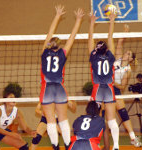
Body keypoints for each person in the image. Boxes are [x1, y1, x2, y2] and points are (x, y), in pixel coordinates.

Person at [40, 5, 84, 150]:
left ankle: (55, 147)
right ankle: (67, 146)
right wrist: (78, 20)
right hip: (59, 88)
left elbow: (49, 33)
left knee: (51, 121)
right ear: (59, 46)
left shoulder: (44, 52)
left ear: (49, 44)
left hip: (46, 89)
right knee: (63, 119)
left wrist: (57, 16)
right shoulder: (63, 53)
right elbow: (72, 37)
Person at [88, 11, 119, 150]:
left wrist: (92, 23)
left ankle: (96, 143)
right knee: (111, 119)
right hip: (108, 88)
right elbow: (110, 37)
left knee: (96, 117)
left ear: (96, 49)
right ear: (106, 49)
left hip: (97, 89)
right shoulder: (110, 57)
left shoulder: (93, 57)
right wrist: (111, 20)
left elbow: (89, 39)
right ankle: (116, 146)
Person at [112, 24, 142, 147]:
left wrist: (114, 83)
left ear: (130, 59)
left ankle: (132, 138)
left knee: (123, 113)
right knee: (101, 113)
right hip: (105, 88)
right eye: (127, 52)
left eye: (129, 54)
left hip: (115, 88)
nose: (126, 53)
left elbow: (123, 86)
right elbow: (119, 43)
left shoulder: (128, 70)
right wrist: (125, 31)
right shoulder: (118, 58)